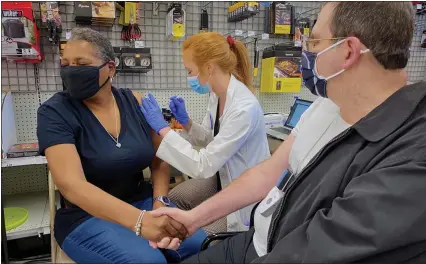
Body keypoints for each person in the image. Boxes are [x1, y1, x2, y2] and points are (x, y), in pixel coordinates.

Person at [152, 2, 426, 263]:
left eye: (315, 42)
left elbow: (315, 251)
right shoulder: (327, 103)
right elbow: (267, 172)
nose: (304, 51)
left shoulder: (409, 158)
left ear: (348, 50)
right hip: (257, 240)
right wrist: (195, 218)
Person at [36, 27, 206, 263]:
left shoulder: (134, 101)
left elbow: (159, 159)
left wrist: (159, 202)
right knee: (149, 261)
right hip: (85, 216)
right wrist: (140, 221)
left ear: (111, 68)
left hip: (141, 201)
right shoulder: (54, 112)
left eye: (81, 63)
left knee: (199, 244)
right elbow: (71, 185)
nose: (71, 70)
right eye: (65, 64)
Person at [139, 32, 271, 234]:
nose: (188, 77)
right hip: (222, 176)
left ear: (209, 68)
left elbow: (203, 165)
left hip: (244, 196)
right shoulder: (218, 95)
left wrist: (163, 129)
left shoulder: (243, 109)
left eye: (189, 70)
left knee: (191, 237)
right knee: (173, 200)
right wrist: (187, 122)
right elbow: (212, 139)